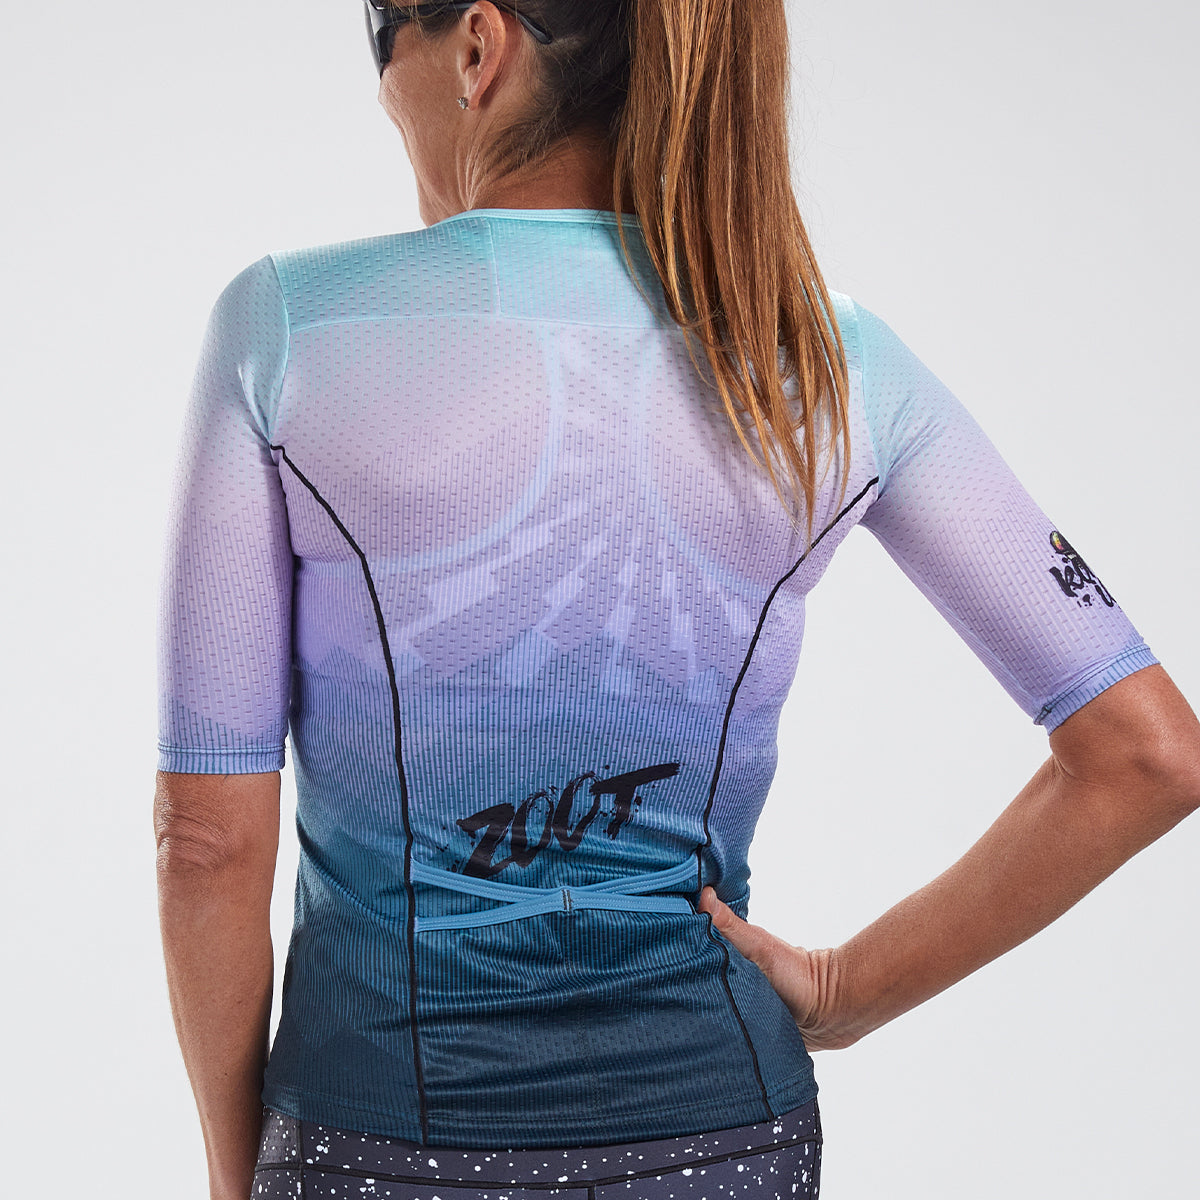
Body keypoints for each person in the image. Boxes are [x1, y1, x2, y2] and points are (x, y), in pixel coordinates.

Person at [153, 2, 1200, 1198]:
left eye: (381, 37)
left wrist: (242, 1181)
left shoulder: (286, 330)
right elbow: (1146, 752)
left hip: (376, 1133)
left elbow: (206, 841)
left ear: (479, 47)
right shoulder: (828, 361)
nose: (385, 100)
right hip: (726, 1133)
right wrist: (845, 992)